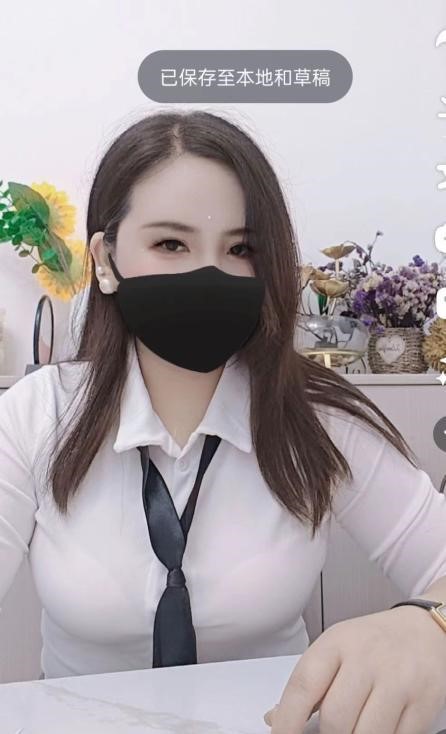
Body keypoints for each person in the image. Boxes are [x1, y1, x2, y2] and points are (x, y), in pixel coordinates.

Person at [2, 110, 446, 732]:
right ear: (104, 259)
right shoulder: (36, 415)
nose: (208, 274)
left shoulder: (315, 415)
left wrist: (430, 625)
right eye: (170, 244)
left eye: (241, 249)